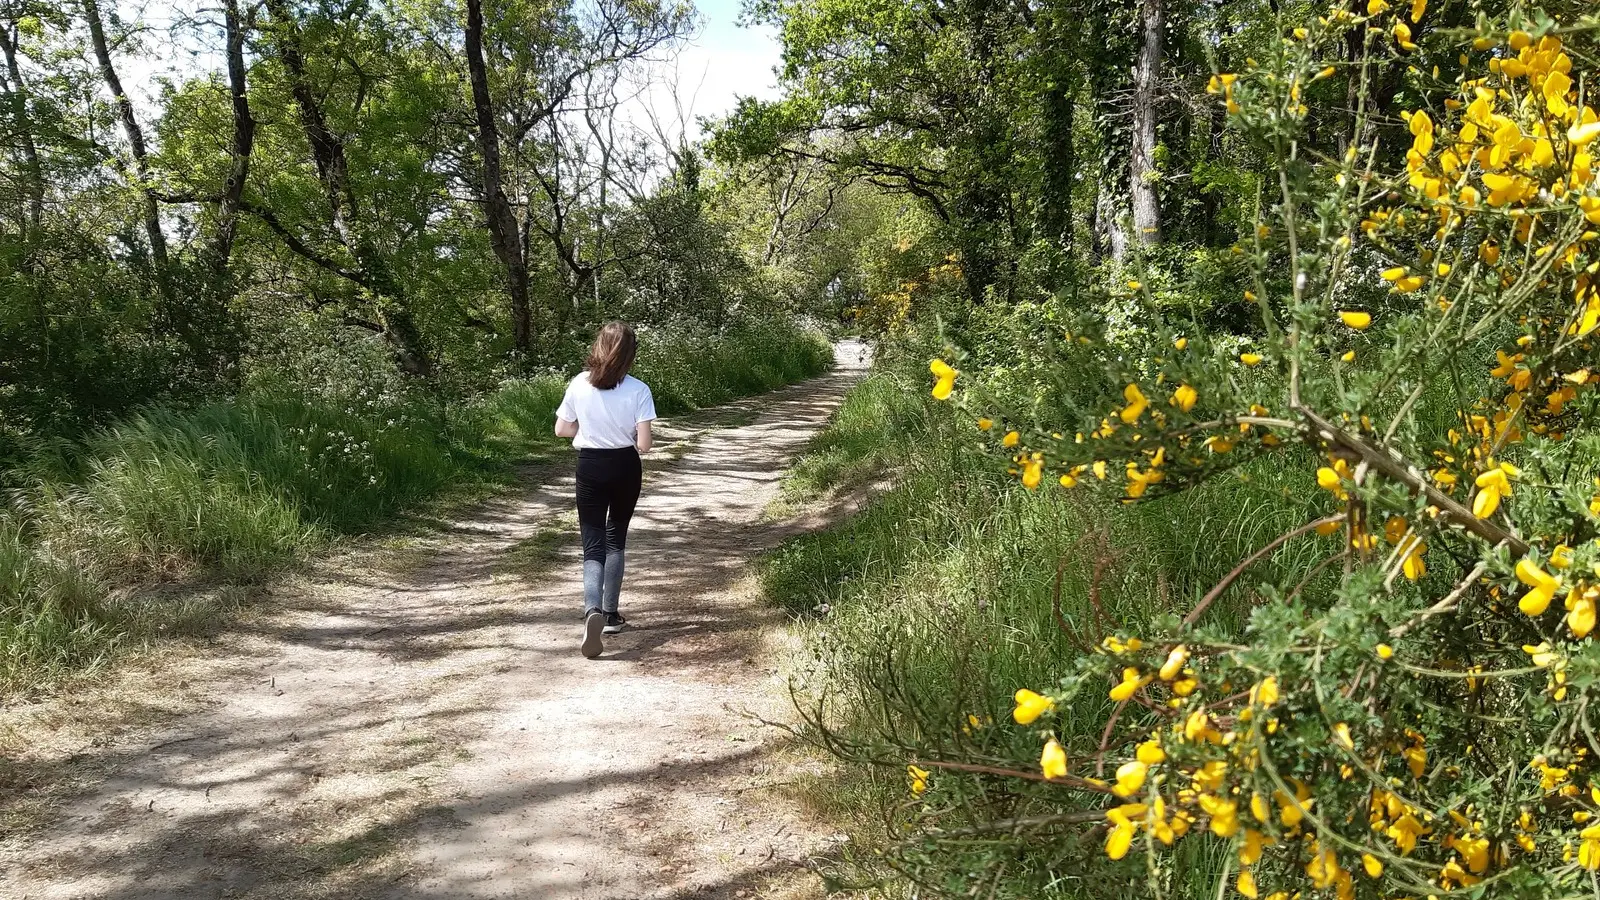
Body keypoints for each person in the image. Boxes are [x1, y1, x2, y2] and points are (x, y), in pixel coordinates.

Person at [554, 322, 656, 658]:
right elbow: (644, 445)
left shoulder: (579, 384)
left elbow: (562, 429)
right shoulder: (639, 390)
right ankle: (611, 615)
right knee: (617, 538)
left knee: (592, 541)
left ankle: (592, 610)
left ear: (599, 346)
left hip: (590, 466)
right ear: (630, 355)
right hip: (625, 466)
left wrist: (590, 425)